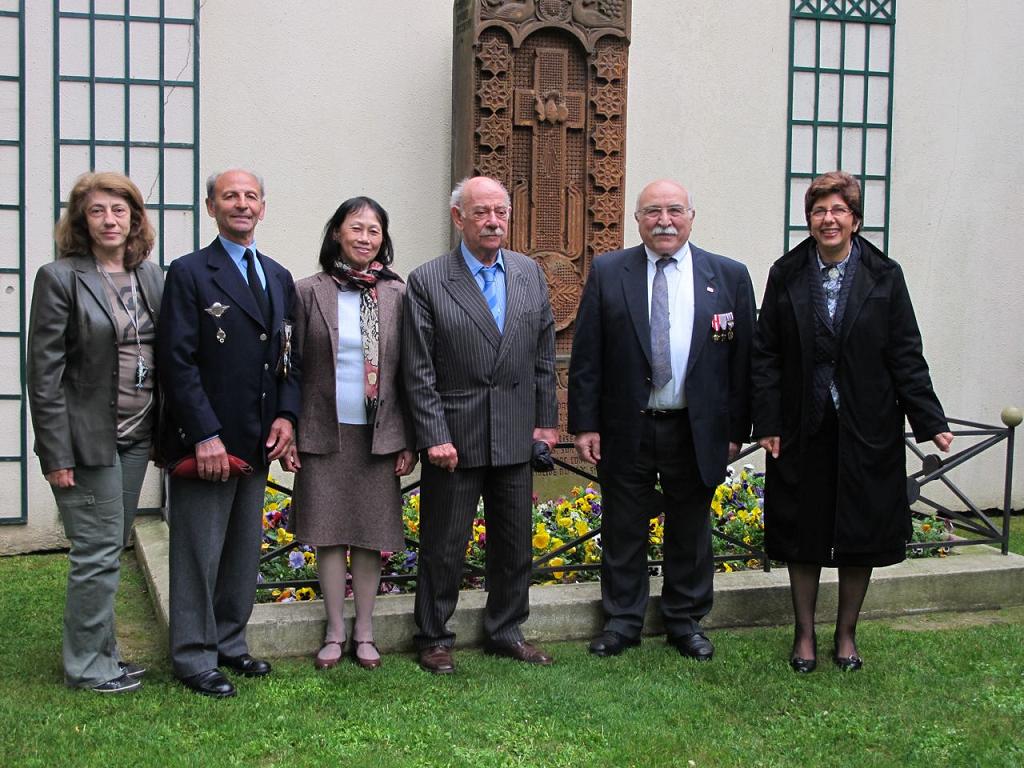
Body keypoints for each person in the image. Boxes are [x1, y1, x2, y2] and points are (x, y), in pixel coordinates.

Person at [752, 170, 953, 673]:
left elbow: (906, 353)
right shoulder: (786, 272)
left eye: (838, 210)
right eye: (820, 210)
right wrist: (768, 420)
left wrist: (930, 420)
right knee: (804, 527)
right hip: (803, 423)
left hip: (868, 425)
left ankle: (845, 634)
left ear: (856, 220)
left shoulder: (885, 275)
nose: (829, 219)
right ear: (809, 219)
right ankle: (803, 635)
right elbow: (766, 354)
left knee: (860, 530)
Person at [568, 179, 755, 661]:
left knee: (690, 529)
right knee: (624, 526)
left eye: (674, 210)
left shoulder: (728, 276)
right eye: (652, 211)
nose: (664, 220)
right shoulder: (610, 270)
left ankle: (685, 620)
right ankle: (623, 621)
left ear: (692, 216)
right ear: (637, 219)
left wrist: (737, 430)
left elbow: (743, 363)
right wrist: (585, 425)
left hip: (695, 427)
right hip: (627, 424)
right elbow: (587, 355)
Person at [402, 175, 559, 674]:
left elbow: (543, 354)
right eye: (481, 212)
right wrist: (434, 436)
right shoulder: (427, 280)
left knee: (514, 545)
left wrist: (546, 423)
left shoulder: (529, 272)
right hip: (456, 436)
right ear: (458, 218)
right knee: (443, 546)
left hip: (515, 431)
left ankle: (506, 630)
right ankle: (433, 636)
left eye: (500, 212)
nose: (493, 221)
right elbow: (418, 368)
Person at [158, 169, 301, 698]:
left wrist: (287, 417)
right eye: (229, 197)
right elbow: (177, 361)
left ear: (263, 207)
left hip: (257, 438)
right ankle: (193, 656)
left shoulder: (279, 275)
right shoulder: (191, 272)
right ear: (211, 207)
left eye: (250, 197)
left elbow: (290, 355)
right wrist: (203, 434)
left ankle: (229, 643)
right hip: (209, 442)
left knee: (242, 548)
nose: (241, 205)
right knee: (198, 550)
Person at [27, 171, 163, 693]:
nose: (110, 220)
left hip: (136, 435)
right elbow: (44, 375)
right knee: (96, 551)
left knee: (112, 544)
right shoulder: (59, 277)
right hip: (87, 439)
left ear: (134, 219)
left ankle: (104, 652)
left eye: (119, 210)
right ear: (82, 221)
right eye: (98, 211)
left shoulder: (150, 277)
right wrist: (54, 452)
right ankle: (86, 666)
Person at [284, 197, 417, 671]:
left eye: (374, 230)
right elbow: (292, 366)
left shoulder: (399, 295)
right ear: (337, 232)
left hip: (379, 435)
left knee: (368, 534)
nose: (365, 238)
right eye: (356, 228)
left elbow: (410, 373)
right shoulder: (306, 292)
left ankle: (365, 630)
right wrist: (291, 429)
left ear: (384, 238)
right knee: (328, 535)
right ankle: (334, 629)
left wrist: (409, 438)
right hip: (324, 431)